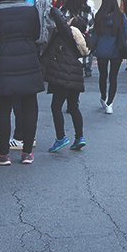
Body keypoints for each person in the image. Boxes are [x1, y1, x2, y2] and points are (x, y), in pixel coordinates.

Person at [0, 0, 43, 165]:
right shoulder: (31, 8)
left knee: (4, 109)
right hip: (28, 59)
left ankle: (3, 154)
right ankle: (27, 153)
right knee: (30, 107)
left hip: (4, 60)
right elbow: (36, 34)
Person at [40, 9, 86, 152]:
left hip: (64, 75)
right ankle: (80, 137)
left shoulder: (69, 35)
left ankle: (60, 138)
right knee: (73, 107)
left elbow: (61, 24)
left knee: (56, 106)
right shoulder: (81, 41)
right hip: (75, 76)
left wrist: (52, 9)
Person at [88, 0, 127, 114]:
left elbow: (95, 35)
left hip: (102, 50)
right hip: (116, 50)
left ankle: (103, 97)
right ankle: (110, 103)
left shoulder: (99, 16)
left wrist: (92, 48)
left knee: (103, 76)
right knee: (113, 77)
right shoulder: (121, 17)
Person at [62, 0, 95, 76]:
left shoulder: (64, 10)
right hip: (82, 47)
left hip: (66, 46)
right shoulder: (87, 11)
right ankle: (87, 69)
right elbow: (91, 27)